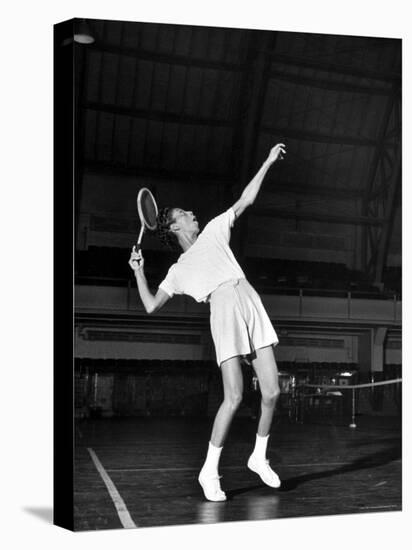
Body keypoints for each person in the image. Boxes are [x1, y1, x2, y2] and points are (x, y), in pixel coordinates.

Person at [129, 143, 286, 502]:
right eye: (185, 213)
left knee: (273, 392)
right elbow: (152, 306)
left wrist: (266, 162)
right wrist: (139, 273)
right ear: (173, 225)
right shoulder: (178, 270)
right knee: (234, 395)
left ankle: (258, 456)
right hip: (224, 308)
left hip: (248, 297)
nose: (192, 213)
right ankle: (208, 470)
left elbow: (245, 200)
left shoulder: (215, 229)